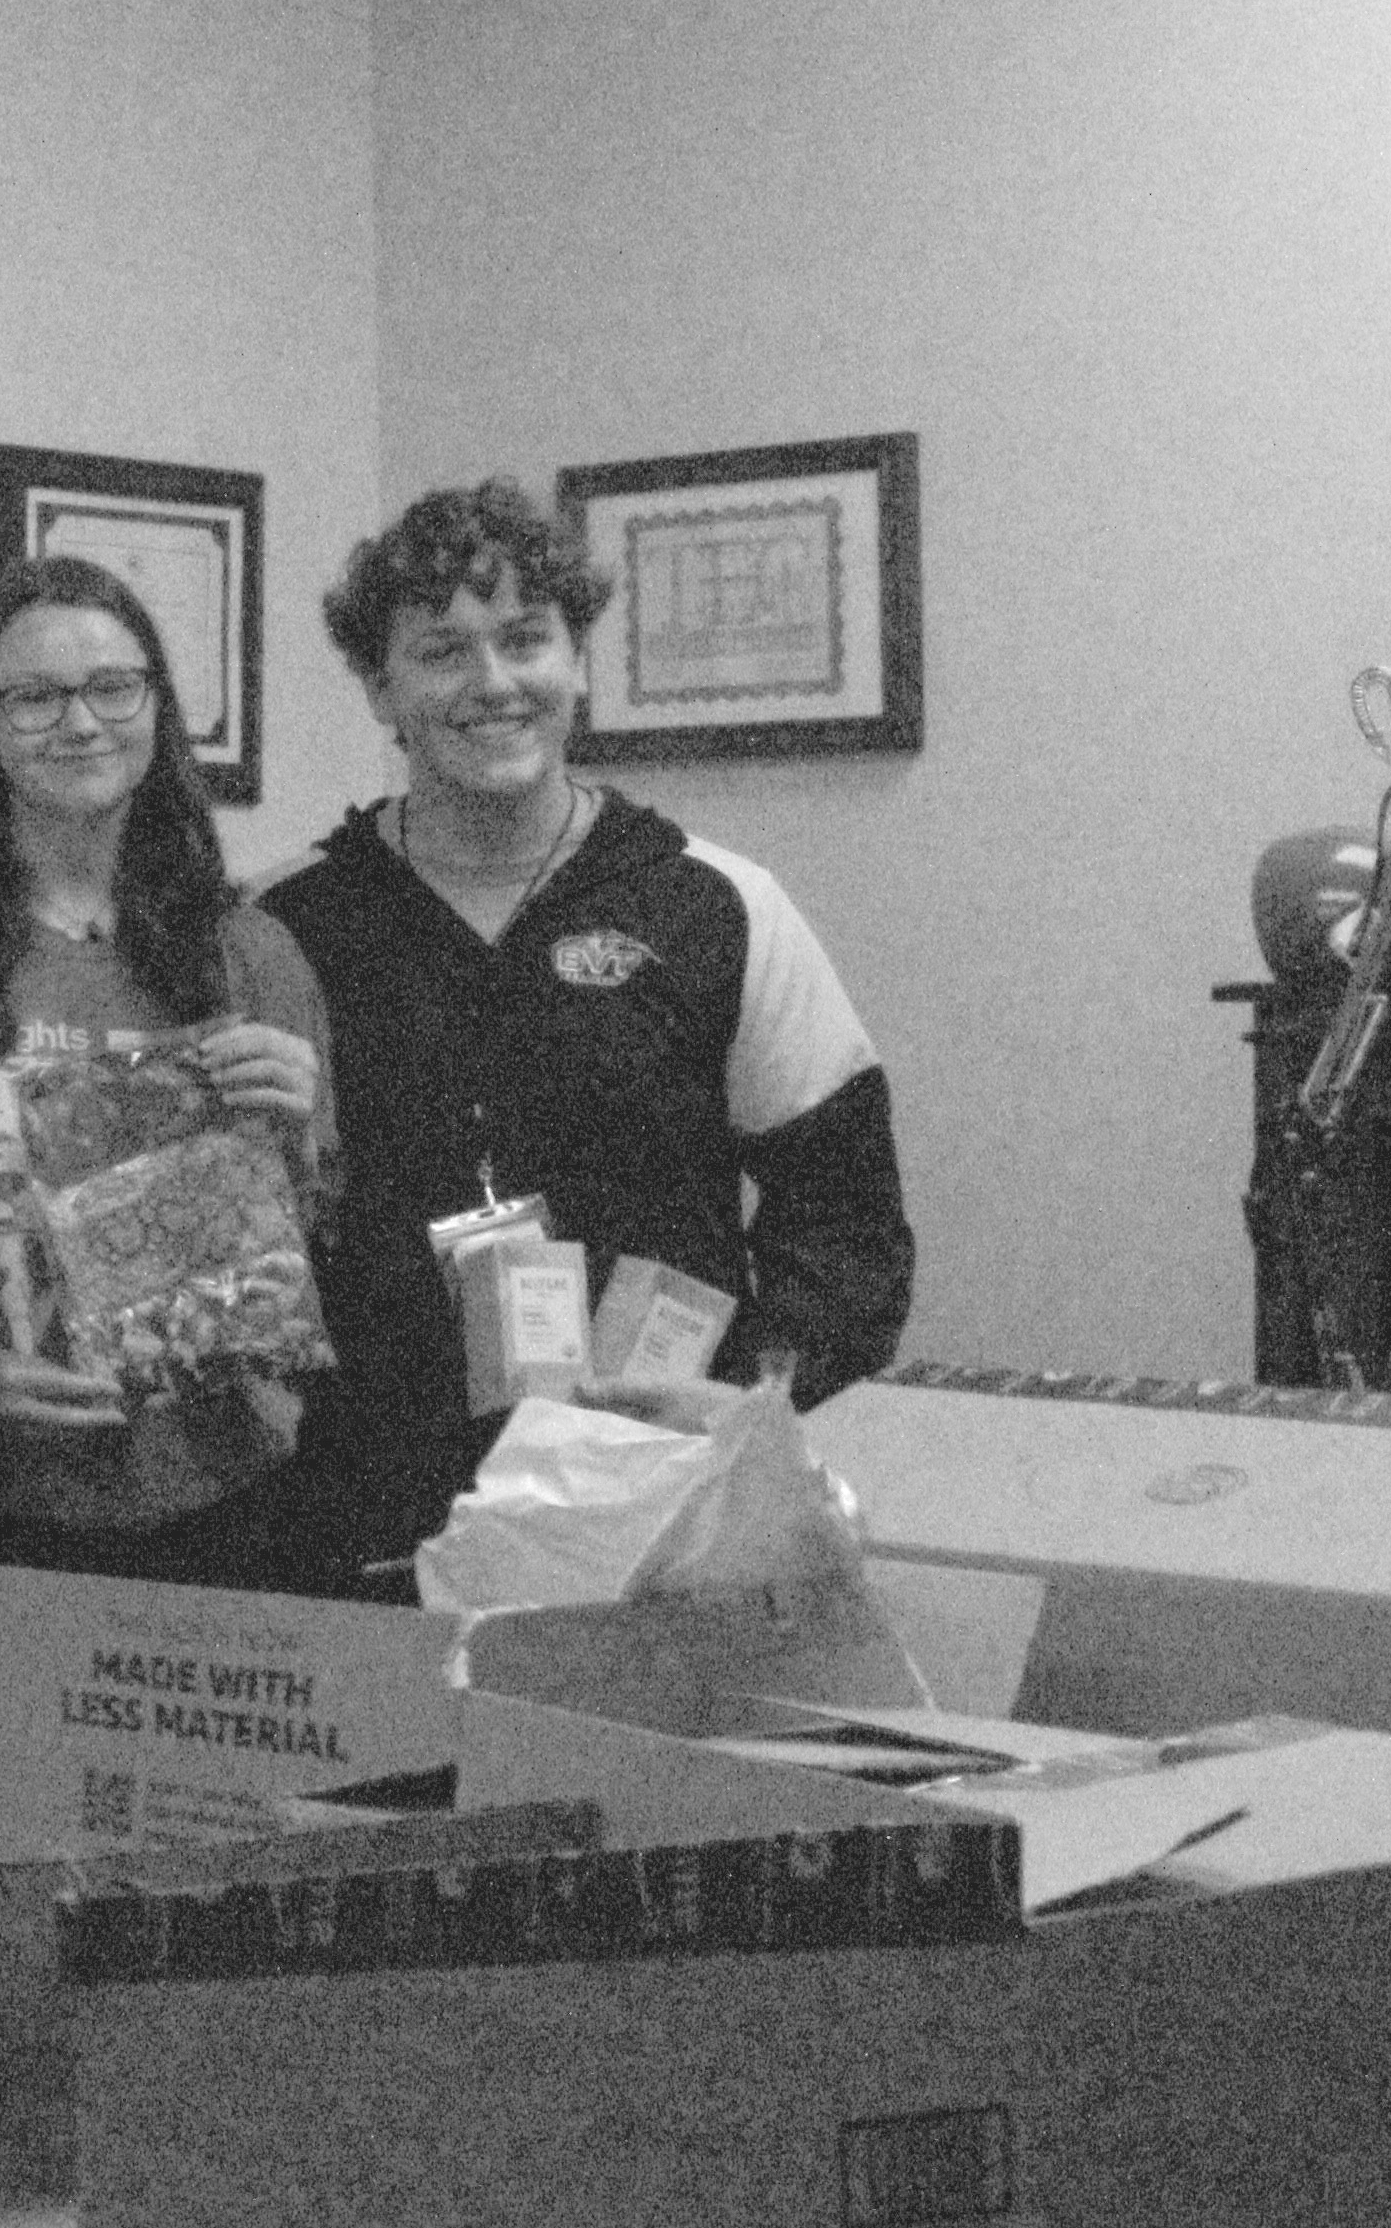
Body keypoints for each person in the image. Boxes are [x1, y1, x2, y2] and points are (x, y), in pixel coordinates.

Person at [261, 478, 911, 1592]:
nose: (494, 683)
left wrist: (758, 1393)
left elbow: (846, 1222)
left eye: (526, 639)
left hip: (662, 1516)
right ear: (379, 686)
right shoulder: (285, 928)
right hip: (368, 1524)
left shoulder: (717, 905)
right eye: (442, 651)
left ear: (581, 661)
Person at [0, 559, 337, 1585]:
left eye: (112, 686)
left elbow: (322, 1231)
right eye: (35, 696)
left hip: (224, 1491)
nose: (80, 722)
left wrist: (296, 1126)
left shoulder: (251, 952)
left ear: (156, 707)